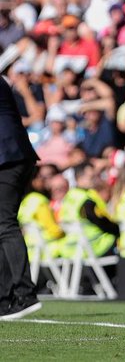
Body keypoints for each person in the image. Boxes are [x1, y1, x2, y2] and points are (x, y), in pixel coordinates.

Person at [0, 75, 42, 320]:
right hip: (13, 156)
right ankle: (5, 300)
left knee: (5, 224)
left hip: (8, 158)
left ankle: (25, 294)